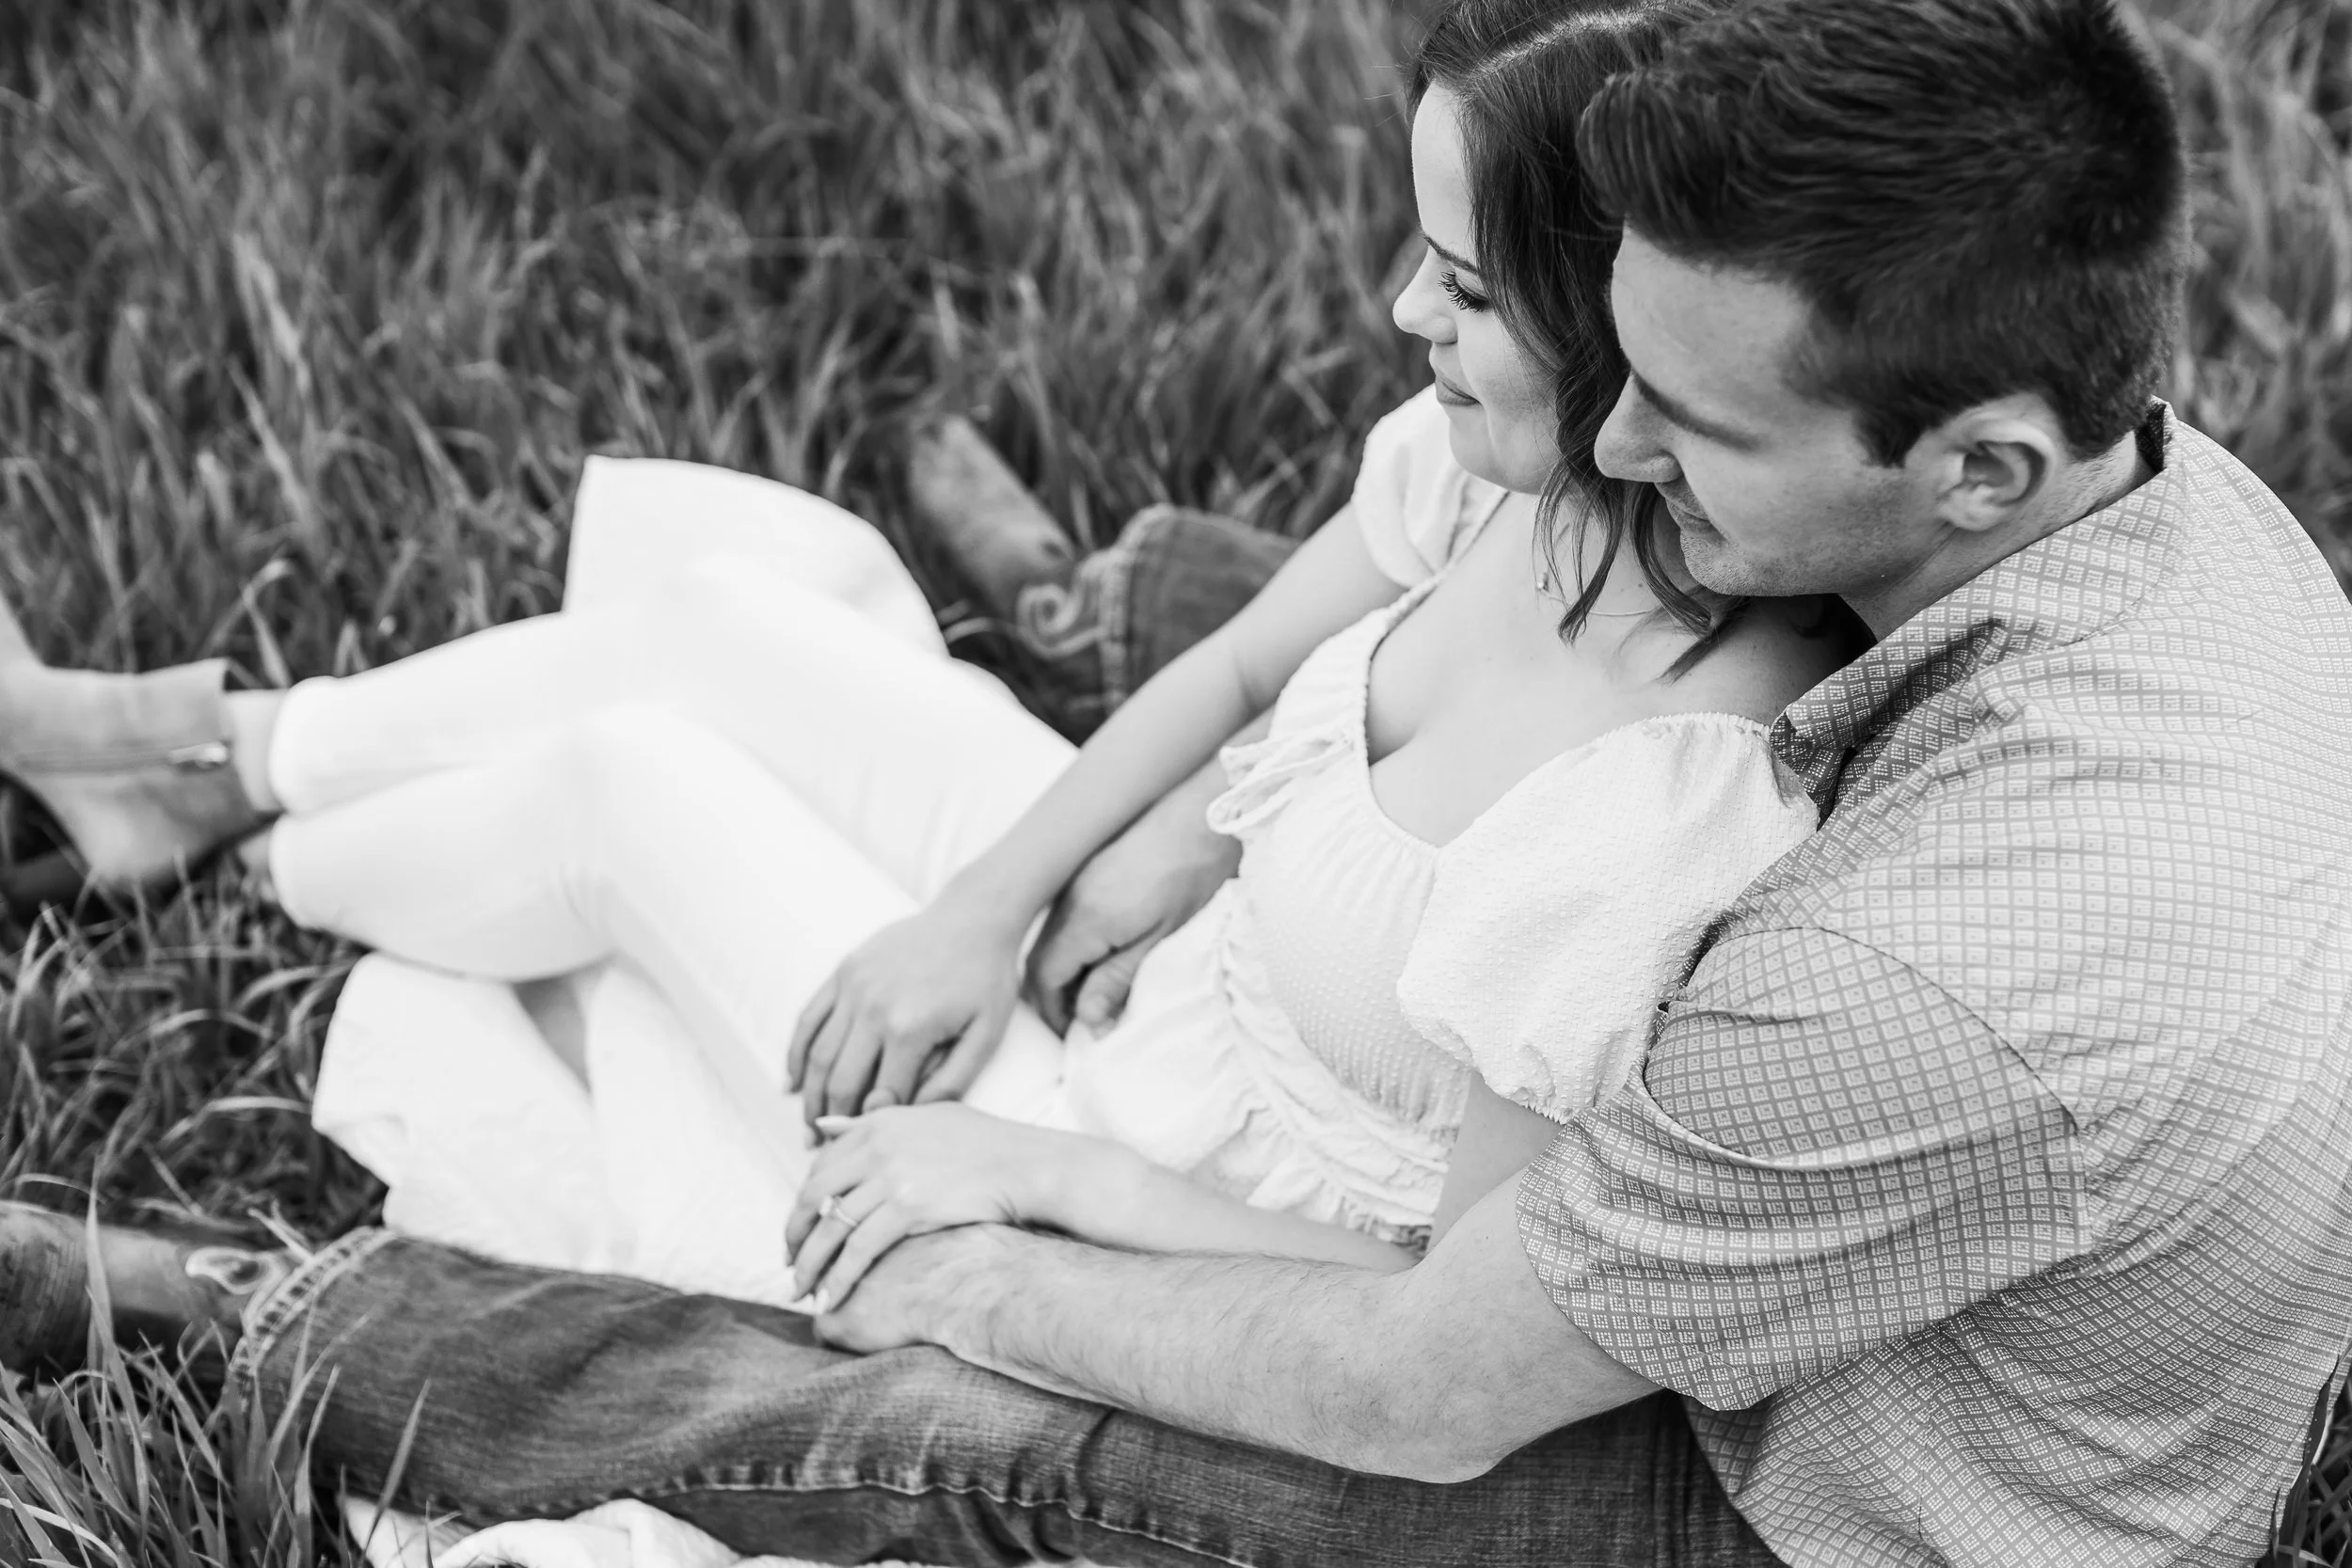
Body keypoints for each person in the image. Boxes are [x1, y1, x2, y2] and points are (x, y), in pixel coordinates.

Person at [6, 0, 2351, 1564]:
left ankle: (239, 1306)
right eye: (1612, 362)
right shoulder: (2138, 499)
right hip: (1676, 1130)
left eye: (1699, 420)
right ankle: (1030, 614)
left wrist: (993, 1251)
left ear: (1976, 463)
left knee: (954, 1415)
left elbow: (1431, 1371)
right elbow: (1423, 577)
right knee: (1300, 602)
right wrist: (1147, 811)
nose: (1624, 444)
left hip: (1797, 1495)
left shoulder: (1875, 963)